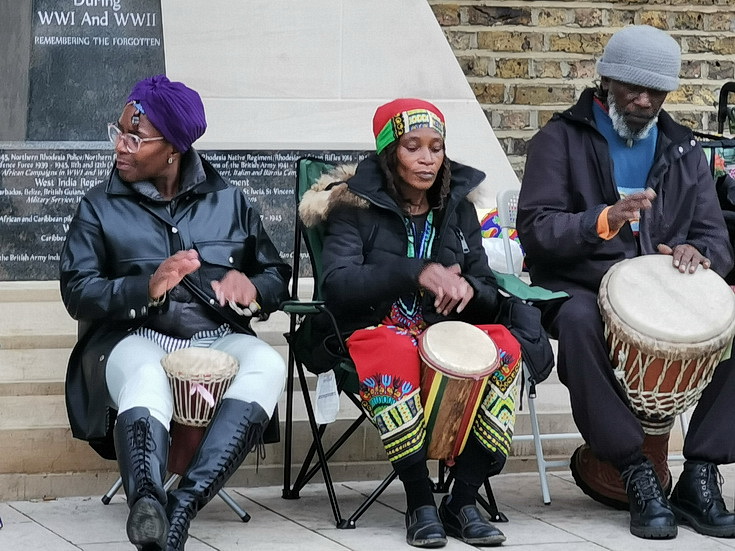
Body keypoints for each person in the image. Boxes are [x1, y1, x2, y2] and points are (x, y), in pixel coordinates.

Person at [517, 25, 735, 540]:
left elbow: (715, 235)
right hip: (581, 286)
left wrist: (698, 253)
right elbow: (536, 230)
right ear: (606, 80)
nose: (642, 101)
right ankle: (634, 470)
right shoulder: (558, 140)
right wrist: (604, 220)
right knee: (575, 320)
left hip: (666, 290)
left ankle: (700, 472)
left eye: (655, 92)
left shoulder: (683, 149)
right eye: (631, 89)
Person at [60, 75, 291, 551]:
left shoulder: (230, 202)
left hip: (215, 336)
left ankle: (183, 505)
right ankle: (146, 500)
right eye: (117, 133)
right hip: (133, 337)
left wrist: (254, 287)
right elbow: (77, 292)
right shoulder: (98, 207)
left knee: (267, 362)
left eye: (133, 138)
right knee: (145, 373)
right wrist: (146, 287)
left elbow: (274, 274)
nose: (120, 147)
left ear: (173, 149)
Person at [299, 98, 525, 548]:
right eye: (413, 147)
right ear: (390, 153)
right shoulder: (353, 206)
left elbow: (482, 282)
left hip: (442, 329)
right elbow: (338, 284)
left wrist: (470, 291)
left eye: (436, 147)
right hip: (372, 330)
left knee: (505, 348)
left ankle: (461, 502)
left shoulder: (457, 209)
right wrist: (415, 272)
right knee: (396, 351)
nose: (427, 159)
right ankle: (420, 501)